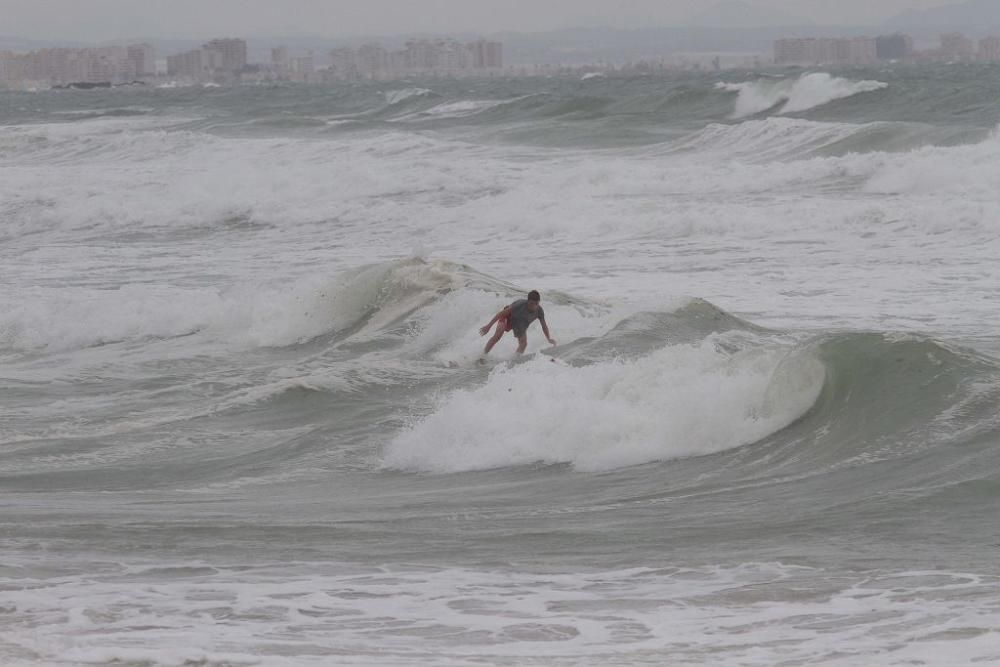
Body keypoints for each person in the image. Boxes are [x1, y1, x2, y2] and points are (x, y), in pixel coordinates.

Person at [479, 290, 556, 357]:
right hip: (508, 317)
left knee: (524, 343)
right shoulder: (520, 304)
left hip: (519, 324)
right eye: (531, 303)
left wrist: (548, 338)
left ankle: (515, 359)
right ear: (528, 301)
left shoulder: (539, 311)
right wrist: (488, 326)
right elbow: (501, 314)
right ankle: (483, 355)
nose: (534, 306)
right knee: (498, 334)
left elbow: (544, 326)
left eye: (536, 303)